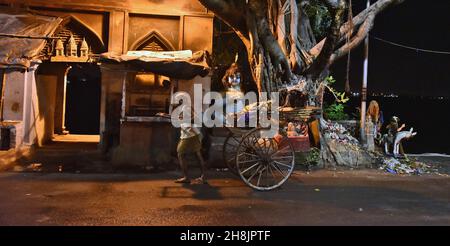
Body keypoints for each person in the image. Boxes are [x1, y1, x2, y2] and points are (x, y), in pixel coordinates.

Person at [175, 106, 208, 184]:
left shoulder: (187, 107)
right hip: (190, 134)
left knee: (181, 154)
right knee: (197, 154)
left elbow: (195, 119)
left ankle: (187, 178)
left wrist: (183, 119)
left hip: (190, 134)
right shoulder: (184, 107)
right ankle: (203, 177)